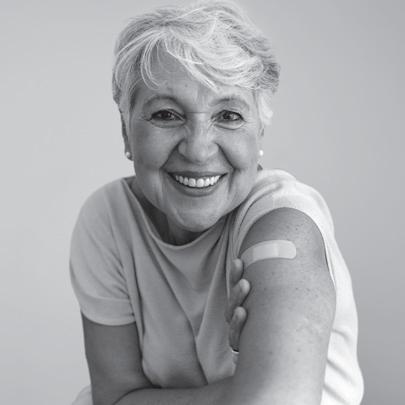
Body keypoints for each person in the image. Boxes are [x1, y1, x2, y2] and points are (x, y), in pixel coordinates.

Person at [70, 1, 364, 404]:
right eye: (166, 115)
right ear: (126, 131)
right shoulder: (108, 219)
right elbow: (115, 397)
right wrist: (234, 392)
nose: (198, 149)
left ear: (260, 132)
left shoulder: (282, 224)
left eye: (228, 116)